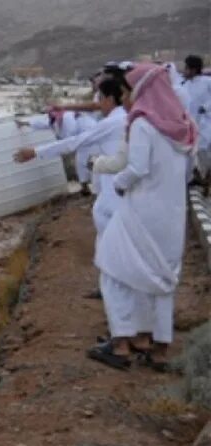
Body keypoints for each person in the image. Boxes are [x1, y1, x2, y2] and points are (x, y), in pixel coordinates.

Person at [89, 63, 197, 371]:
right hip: (173, 214)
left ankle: (121, 343)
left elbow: (136, 168)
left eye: (125, 91)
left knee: (113, 270)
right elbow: (186, 173)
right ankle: (158, 348)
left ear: (140, 91)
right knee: (161, 278)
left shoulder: (143, 124)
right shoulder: (184, 126)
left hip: (142, 211)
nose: (123, 99)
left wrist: (120, 185)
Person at [15, 79, 127, 298]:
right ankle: (110, 285)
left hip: (117, 188)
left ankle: (117, 289)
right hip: (111, 187)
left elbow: (74, 142)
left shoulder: (113, 122)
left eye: (100, 100)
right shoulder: (121, 119)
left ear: (109, 99)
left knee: (114, 240)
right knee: (106, 234)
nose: (98, 105)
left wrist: (36, 152)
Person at [18, 108, 98, 195]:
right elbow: (42, 124)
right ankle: (86, 187)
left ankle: (93, 185)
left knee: (86, 161)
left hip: (90, 137)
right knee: (82, 162)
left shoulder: (68, 117)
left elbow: (70, 135)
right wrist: (25, 123)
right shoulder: (54, 120)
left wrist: (61, 145)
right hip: (81, 141)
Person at [182, 55, 211, 188]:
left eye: (187, 68)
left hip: (206, 124)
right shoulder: (185, 84)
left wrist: (205, 107)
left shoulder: (207, 81)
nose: (185, 71)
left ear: (193, 69)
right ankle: (200, 179)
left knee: (204, 151)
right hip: (192, 126)